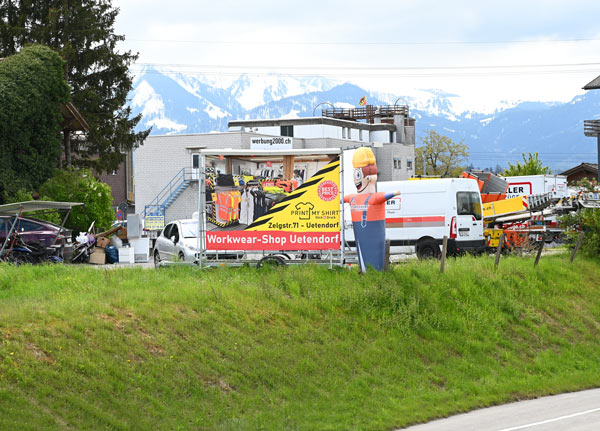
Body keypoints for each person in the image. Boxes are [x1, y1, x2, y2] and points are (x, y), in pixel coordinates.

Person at [344, 147, 400, 272]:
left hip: (370, 228)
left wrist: (394, 193)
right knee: (363, 250)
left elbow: (383, 196)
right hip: (362, 228)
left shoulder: (372, 198)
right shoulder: (354, 198)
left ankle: (372, 270)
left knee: (371, 252)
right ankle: (367, 270)